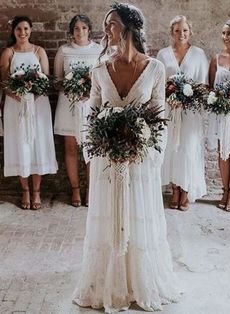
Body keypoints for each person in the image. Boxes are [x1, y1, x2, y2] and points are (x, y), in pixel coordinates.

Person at [73, 3, 181, 312]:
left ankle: (139, 281)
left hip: (140, 158)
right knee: (108, 217)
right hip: (108, 160)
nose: (106, 29)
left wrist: (146, 149)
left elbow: (159, 116)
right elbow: (92, 115)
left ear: (130, 27)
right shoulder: (99, 68)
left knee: (138, 215)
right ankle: (110, 281)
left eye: (112, 23)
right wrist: (100, 144)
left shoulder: (156, 68)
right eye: (106, 24)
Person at [0, 16, 58, 209]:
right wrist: (18, 96)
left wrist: (33, 95)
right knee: (20, 145)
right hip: (15, 105)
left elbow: (45, 80)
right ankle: (25, 191)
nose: (22, 33)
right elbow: (5, 82)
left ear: (31, 30)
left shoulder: (38, 51)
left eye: (26, 29)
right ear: (13, 32)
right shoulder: (8, 52)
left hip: (38, 105)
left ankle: (37, 192)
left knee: (37, 144)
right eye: (18, 29)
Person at [157, 15, 209, 211]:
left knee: (187, 149)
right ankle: (175, 190)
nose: (181, 34)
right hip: (170, 111)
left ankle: (186, 190)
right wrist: (169, 96)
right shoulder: (163, 55)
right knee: (172, 148)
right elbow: (158, 84)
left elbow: (203, 85)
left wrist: (188, 98)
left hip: (189, 112)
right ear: (172, 32)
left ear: (190, 32)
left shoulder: (198, 54)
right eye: (177, 30)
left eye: (185, 30)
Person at [54, 14, 102, 207]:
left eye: (83, 28)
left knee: (91, 149)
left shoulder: (99, 50)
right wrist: (71, 87)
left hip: (91, 105)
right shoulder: (64, 51)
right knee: (71, 147)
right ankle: (75, 190)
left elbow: (104, 81)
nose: (80, 31)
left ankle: (91, 189)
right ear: (71, 31)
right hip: (68, 105)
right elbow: (56, 81)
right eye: (76, 28)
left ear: (89, 30)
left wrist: (88, 91)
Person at [208, 17, 230, 212]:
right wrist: (217, 99)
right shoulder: (216, 58)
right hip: (221, 113)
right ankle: (224, 190)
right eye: (224, 33)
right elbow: (211, 87)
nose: (225, 37)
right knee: (223, 151)